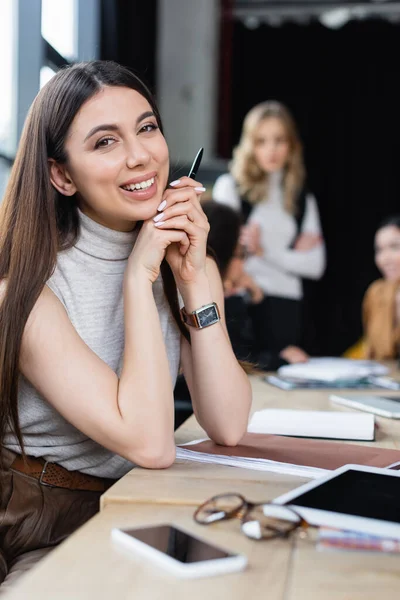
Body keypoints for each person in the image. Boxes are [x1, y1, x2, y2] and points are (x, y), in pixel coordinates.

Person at [0, 60, 251, 589]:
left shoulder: (181, 258)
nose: (140, 156)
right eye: (105, 142)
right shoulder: (26, 290)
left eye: (146, 128)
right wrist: (138, 278)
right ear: (61, 175)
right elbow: (151, 444)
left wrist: (194, 278)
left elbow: (227, 423)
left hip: (139, 502)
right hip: (44, 520)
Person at [213, 101, 326, 356]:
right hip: (244, 299)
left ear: (291, 145)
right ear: (249, 144)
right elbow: (223, 253)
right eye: (261, 140)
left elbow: (316, 266)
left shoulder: (302, 199)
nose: (271, 150)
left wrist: (262, 251)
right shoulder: (230, 187)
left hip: (287, 307)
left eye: (279, 140)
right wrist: (290, 255)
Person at [202, 201, 309, 369]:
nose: (243, 264)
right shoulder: (205, 301)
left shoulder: (233, 294)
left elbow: (266, 345)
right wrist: (280, 362)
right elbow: (235, 360)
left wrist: (257, 296)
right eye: (240, 254)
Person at [362, 215, 400, 359]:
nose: (384, 259)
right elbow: (369, 348)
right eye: (379, 250)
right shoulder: (376, 292)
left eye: (394, 247)